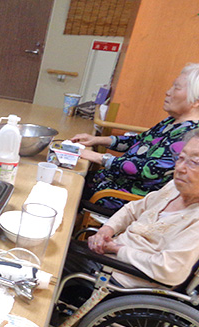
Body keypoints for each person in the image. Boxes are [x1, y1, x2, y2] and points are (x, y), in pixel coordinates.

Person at [73, 129, 199, 289]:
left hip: (123, 280)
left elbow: (170, 271)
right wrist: (107, 230)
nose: (180, 168)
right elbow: (133, 209)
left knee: (52, 262)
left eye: (194, 163)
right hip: (110, 258)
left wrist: (118, 250)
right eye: (181, 158)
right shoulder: (174, 187)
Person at [71, 63, 199, 211]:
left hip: (125, 197)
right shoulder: (172, 120)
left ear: (196, 101)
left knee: (70, 187)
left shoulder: (192, 136)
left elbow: (150, 169)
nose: (167, 92)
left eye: (176, 88)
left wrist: (98, 157)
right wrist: (97, 140)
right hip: (110, 180)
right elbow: (139, 141)